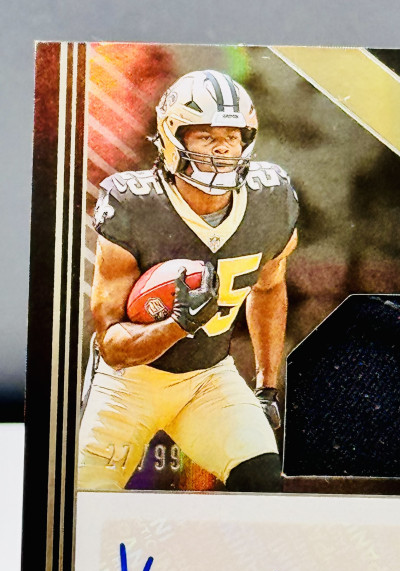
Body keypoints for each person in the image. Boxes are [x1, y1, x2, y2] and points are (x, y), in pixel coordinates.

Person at [78, 69, 298, 492]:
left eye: (231, 137)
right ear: (172, 138)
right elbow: (113, 345)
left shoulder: (270, 199)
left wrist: (267, 386)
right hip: (129, 384)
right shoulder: (134, 204)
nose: (222, 148)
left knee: (264, 484)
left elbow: (270, 287)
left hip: (209, 378)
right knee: (85, 503)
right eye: (206, 136)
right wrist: (177, 325)